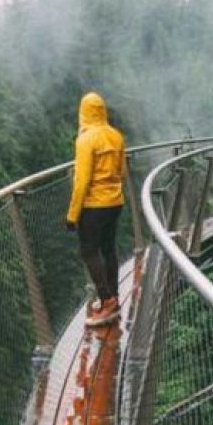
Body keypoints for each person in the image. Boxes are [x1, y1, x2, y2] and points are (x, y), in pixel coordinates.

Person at [65, 92, 125, 326]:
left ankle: (107, 301)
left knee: (89, 251)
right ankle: (114, 297)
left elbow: (81, 181)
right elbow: (122, 172)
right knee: (108, 249)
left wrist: (72, 215)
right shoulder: (115, 136)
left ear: (84, 112)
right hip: (115, 202)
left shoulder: (86, 139)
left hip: (93, 205)